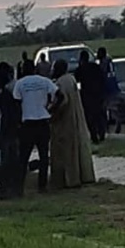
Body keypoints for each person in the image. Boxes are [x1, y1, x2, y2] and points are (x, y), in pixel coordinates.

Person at [13, 59, 60, 193]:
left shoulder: (20, 83)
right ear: (35, 69)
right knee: (44, 156)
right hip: (43, 121)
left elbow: (16, 103)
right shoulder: (44, 81)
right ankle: (42, 186)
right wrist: (50, 109)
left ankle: (19, 187)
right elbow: (59, 95)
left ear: (23, 70)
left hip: (28, 123)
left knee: (23, 157)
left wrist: (19, 121)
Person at [50, 59, 96, 189]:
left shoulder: (60, 83)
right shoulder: (71, 79)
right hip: (76, 118)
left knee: (67, 152)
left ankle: (69, 179)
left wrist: (52, 113)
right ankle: (83, 176)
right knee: (79, 149)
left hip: (65, 121)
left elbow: (62, 100)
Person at [0, 62, 21, 197]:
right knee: (13, 158)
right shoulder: (8, 94)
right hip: (13, 129)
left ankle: (6, 187)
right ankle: (15, 186)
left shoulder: (2, 95)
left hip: (6, 130)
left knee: (5, 160)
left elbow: (5, 116)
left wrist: (1, 133)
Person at [75, 50, 107, 143]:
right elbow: (102, 78)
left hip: (87, 95)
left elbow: (76, 79)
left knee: (90, 117)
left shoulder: (80, 69)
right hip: (98, 94)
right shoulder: (95, 66)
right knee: (99, 115)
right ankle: (101, 133)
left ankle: (94, 136)